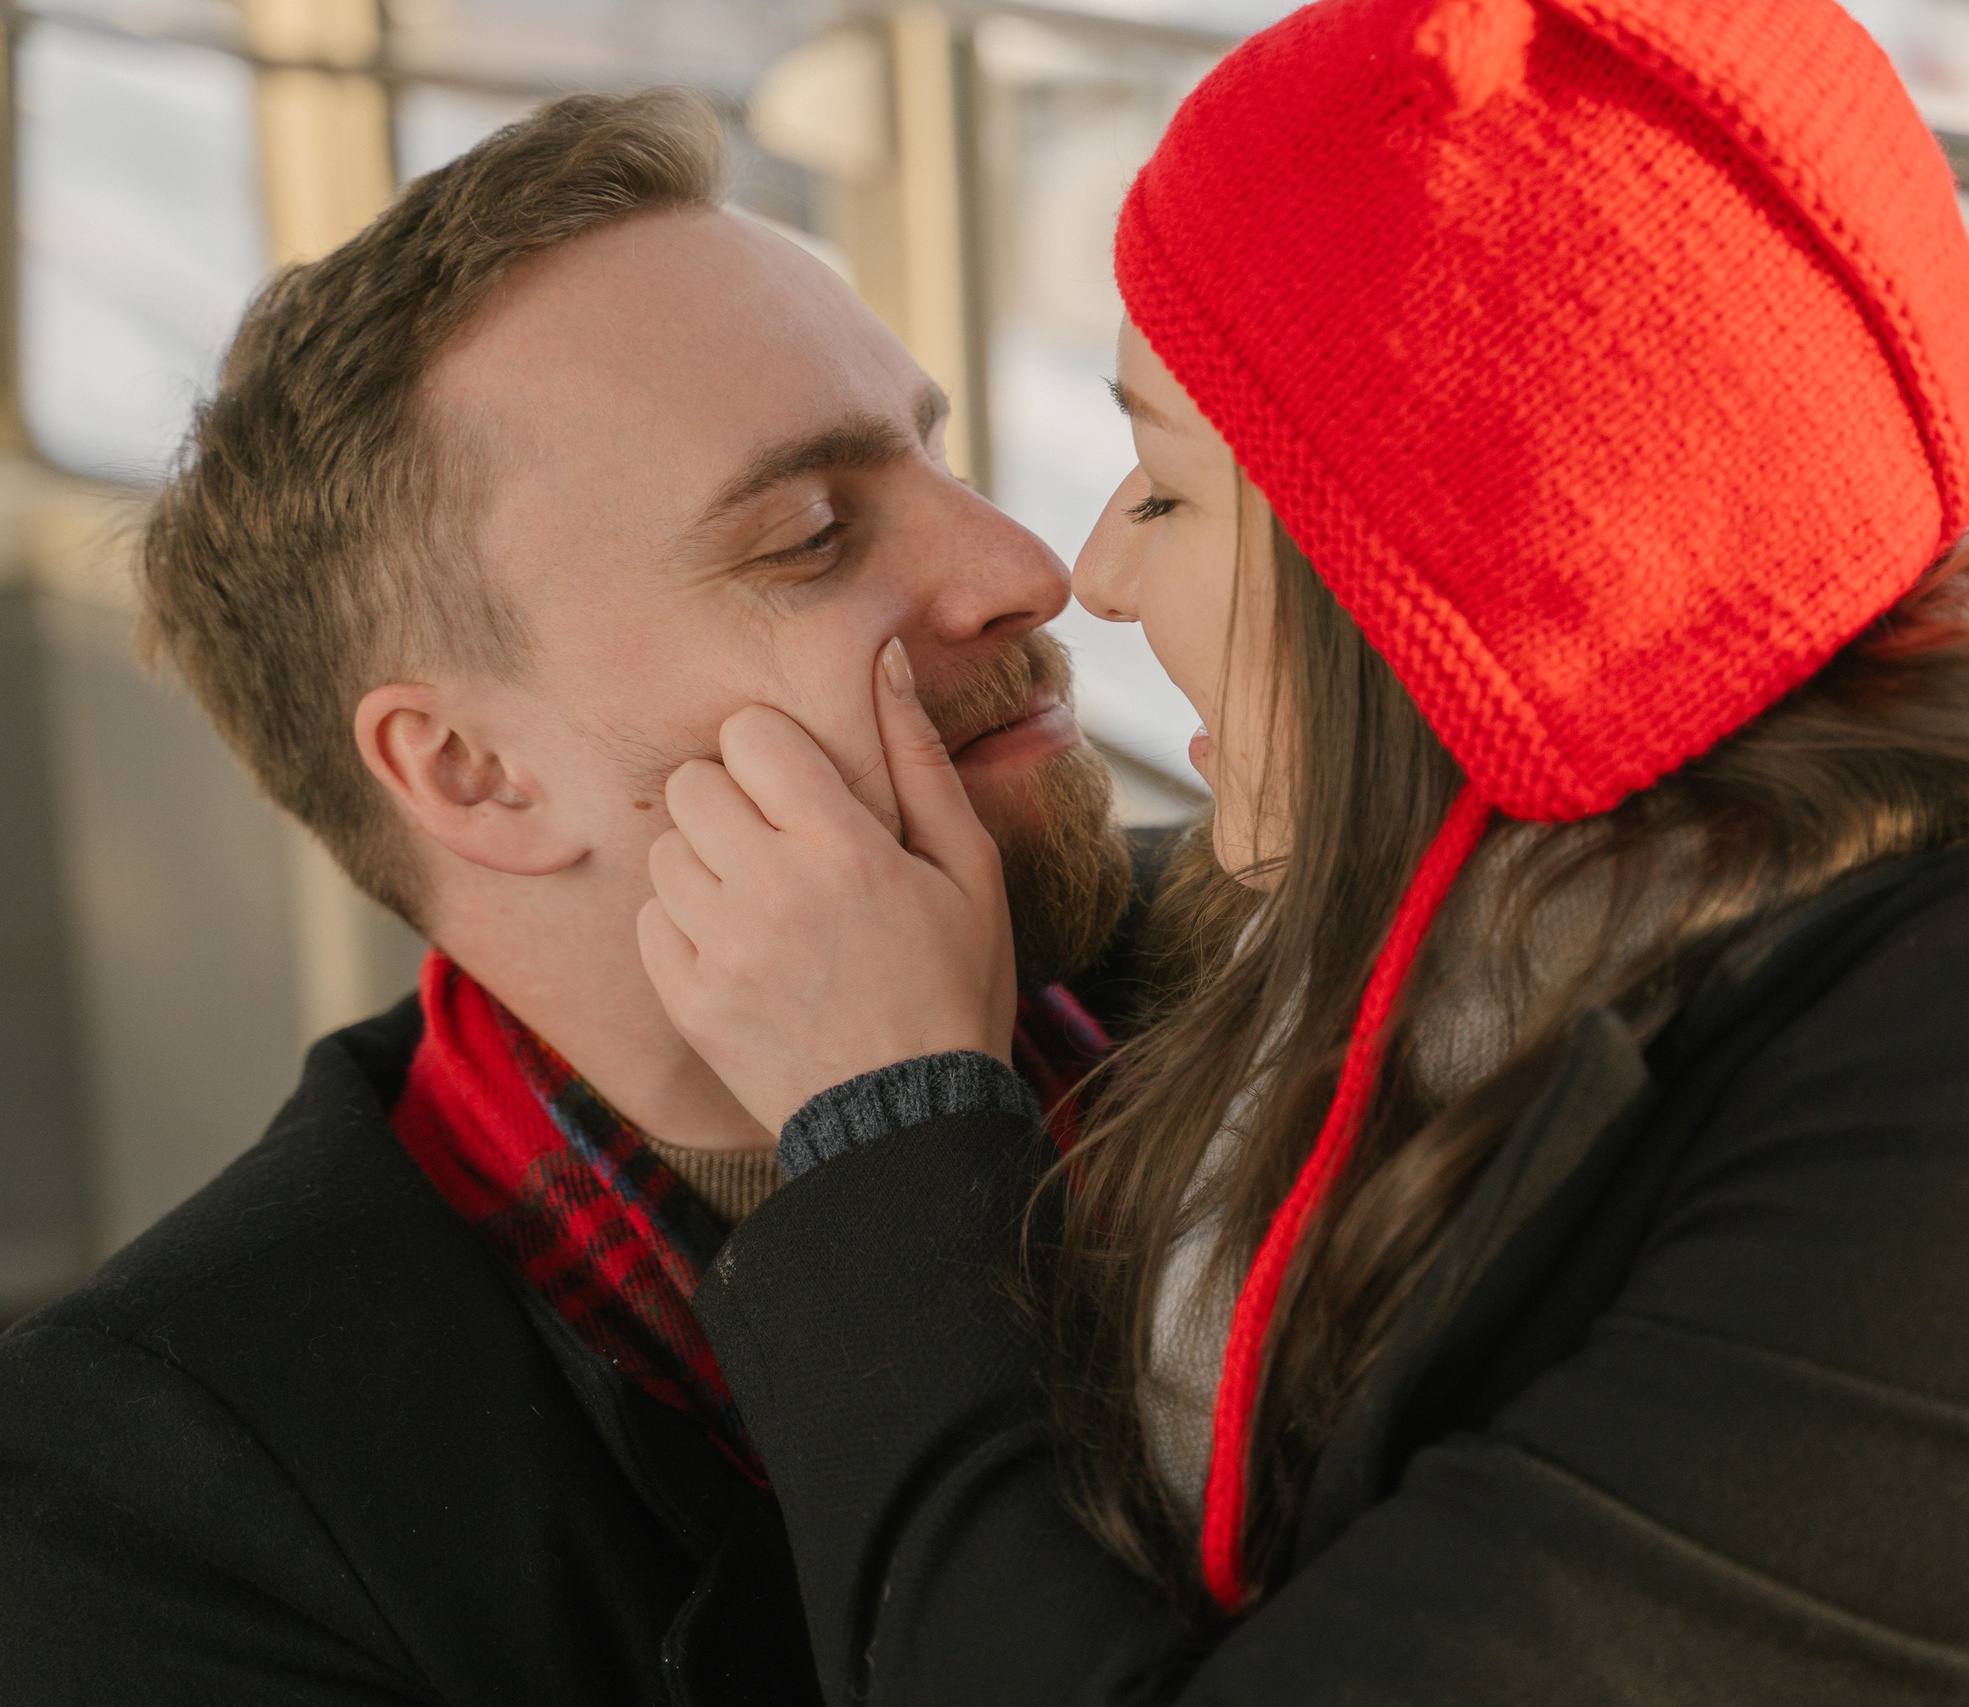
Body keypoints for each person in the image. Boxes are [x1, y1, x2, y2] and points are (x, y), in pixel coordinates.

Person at [636, 2, 1969, 1703]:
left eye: (1173, 487)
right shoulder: (1424, 939)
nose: (1090, 573)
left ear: (1454, 589)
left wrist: (883, 1124)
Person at [0, 91, 1141, 1704]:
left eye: (934, 451)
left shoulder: (1302, 966)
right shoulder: (151, 1507)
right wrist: (903, 1155)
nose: (1027, 563)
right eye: (812, 535)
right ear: (472, 774)